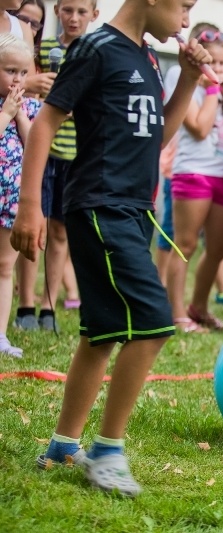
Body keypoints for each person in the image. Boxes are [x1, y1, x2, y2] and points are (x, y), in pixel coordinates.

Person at [10, 0, 211, 496]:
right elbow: (46, 123)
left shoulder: (148, 57)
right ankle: (108, 450)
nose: (187, 20)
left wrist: (188, 81)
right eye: (184, 6)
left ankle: (63, 445)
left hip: (134, 209)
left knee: (101, 334)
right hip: (100, 205)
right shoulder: (96, 48)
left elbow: (156, 136)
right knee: (154, 321)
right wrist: (30, 205)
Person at [13, 0, 97, 332]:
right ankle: (25, 306)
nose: (73, 18)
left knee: (61, 231)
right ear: (58, 11)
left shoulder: (96, 53)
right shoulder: (43, 49)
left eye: (81, 12)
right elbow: (21, 88)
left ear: (94, 15)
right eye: (67, 10)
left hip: (75, 154)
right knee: (35, 228)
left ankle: (48, 308)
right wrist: (37, 90)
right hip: (40, 149)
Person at [165, 22, 223, 333]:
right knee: (185, 244)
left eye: (222, 62)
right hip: (193, 171)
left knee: (219, 248)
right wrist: (211, 90)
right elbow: (199, 128)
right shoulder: (181, 75)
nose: (217, 68)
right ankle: (176, 313)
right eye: (212, 61)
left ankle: (198, 307)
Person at [0, 33, 39, 357]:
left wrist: (20, 115)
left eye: (23, 72)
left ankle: (0, 335)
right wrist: (5, 113)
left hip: (11, 198)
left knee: (4, 266)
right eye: (10, 71)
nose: (17, 79)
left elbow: (34, 146)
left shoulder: (29, 107)